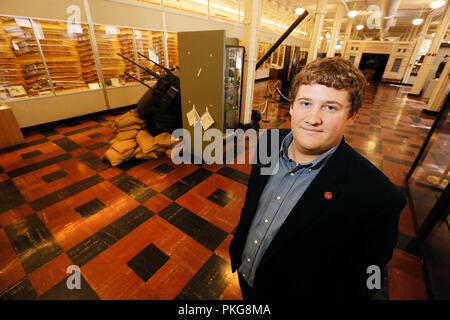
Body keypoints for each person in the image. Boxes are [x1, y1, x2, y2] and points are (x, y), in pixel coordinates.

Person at [229, 57, 406, 300]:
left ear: (352, 115)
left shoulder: (379, 196)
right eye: (305, 103)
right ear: (291, 106)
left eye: (330, 107)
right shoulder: (269, 142)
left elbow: (366, 280)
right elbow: (253, 204)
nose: (313, 118)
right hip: (245, 273)